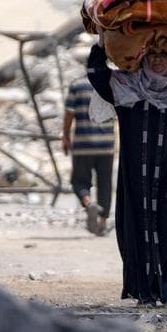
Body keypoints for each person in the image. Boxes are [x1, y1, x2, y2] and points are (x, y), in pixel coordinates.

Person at [86, 40, 167, 307]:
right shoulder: (127, 87)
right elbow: (96, 74)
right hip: (137, 175)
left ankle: (166, 276)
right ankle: (145, 289)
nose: (157, 60)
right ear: (143, 57)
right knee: (138, 229)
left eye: (162, 55)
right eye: (152, 54)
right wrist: (101, 42)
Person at [62, 75, 118, 235]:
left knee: (79, 182)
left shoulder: (77, 84)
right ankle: (102, 223)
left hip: (83, 144)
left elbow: (69, 113)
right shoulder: (111, 82)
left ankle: (88, 203)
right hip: (106, 145)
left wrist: (65, 136)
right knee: (105, 184)